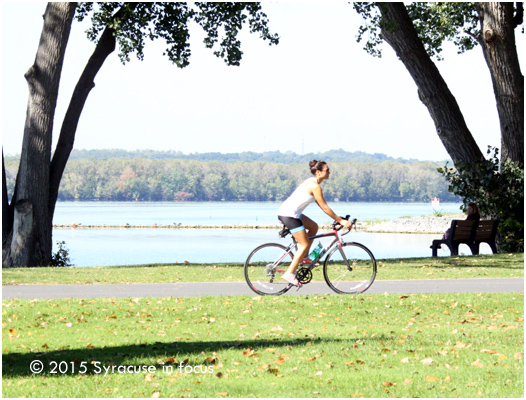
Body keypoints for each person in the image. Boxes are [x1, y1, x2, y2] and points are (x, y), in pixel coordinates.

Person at [277, 160, 352, 286]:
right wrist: (341, 221)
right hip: (289, 214)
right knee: (304, 243)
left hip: (292, 213)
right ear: (318, 172)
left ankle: (305, 258)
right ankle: (289, 273)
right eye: (327, 170)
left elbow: (322, 206)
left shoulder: (313, 183)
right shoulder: (314, 186)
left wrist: (337, 217)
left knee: (313, 227)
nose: (329, 172)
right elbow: (324, 207)